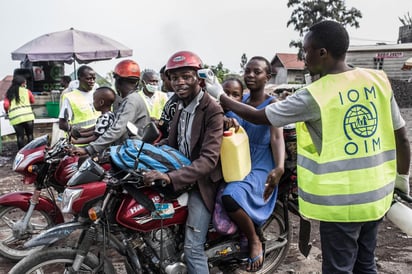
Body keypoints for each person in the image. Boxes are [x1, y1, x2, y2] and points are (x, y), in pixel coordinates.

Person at [205, 20, 411, 274]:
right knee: (365, 263)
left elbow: (262, 117)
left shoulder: (315, 94)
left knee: (338, 268)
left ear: (322, 52)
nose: (304, 57)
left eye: (307, 50)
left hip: (343, 202)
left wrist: (221, 96)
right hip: (378, 196)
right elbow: (401, 137)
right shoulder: (377, 80)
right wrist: (401, 180)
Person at [142, 50, 224, 274]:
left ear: (199, 77)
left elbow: (208, 160)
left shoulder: (212, 109)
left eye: (186, 76)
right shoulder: (179, 104)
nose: (180, 82)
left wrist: (169, 177)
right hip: (183, 173)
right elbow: (173, 141)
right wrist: (145, 151)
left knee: (192, 248)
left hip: (202, 182)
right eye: (175, 77)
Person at [220, 58, 285, 272]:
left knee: (230, 196)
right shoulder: (238, 99)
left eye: (257, 72)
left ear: (267, 77)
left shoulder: (273, 103)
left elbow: (276, 138)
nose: (250, 75)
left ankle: (254, 239)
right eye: (247, 71)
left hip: (260, 162)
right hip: (237, 158)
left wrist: (279, 167)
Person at [72, 59, 150, 156]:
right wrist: (82, 133)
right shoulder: (128, 99)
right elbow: (109, 125)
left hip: (131, 153)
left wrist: (88, 149)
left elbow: (117, 129)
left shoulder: (131, 101)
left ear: (118, 80)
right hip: (126, 149)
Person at [58, 65, 100, 146]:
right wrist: (73, 130)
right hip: (79, 145)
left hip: (98, 143)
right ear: (79, 78)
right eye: (88, 78)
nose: (92, 81)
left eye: (94, 78)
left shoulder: (98, 94)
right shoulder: (69, 97)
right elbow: (62, 123)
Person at [4, 75, 35, 149]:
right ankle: (31, 153)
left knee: (20, 137)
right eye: (25, 83)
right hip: (28, 117)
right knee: (30, 135)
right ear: (22, 84)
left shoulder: (9, 93)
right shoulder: (27, 91)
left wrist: (7, 112)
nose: (25, 84)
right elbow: (33, 101)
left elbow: (6, 105)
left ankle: (21, 154)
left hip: (16, 118)